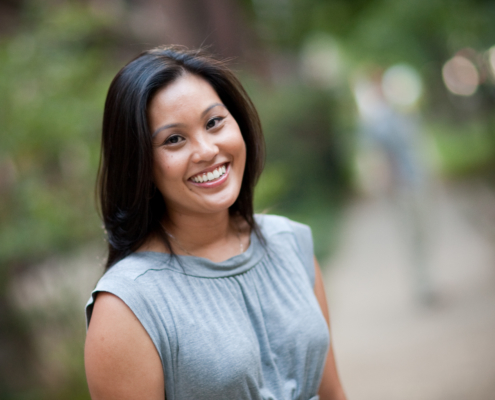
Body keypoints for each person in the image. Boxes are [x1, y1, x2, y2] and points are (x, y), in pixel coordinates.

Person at [84, 45, 347, 400]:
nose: (207, 150)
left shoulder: (290, 243)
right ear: (140, 165)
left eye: (214, 122)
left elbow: (332, 392)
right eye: (174, 139)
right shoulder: (127, 306)